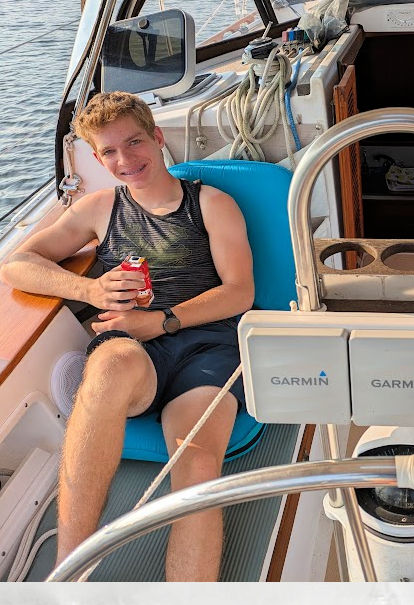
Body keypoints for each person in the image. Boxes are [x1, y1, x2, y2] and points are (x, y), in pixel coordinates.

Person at [0, 92, 254, 581]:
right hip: (133, 352)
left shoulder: (211, 204)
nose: (125, 160)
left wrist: (160, 321)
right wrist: (90, 288)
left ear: (157, 138)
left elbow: (240, 291)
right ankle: (68, 576)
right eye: (110, 152)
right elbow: (17, 263)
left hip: (207, 348)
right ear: (97, 159)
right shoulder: (100, 209)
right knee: (110, 367)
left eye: (134, 142)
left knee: (196, 463)